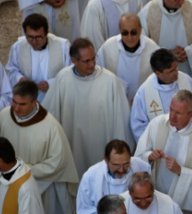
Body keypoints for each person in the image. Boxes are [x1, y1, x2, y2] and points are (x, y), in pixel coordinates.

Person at [0, 81, 78, 214]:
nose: (16, 108)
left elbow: (57, 161)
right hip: (10, 182)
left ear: (34, 101)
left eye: (22, 104)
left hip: (43, 186)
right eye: (14, 102)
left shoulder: (50, 126)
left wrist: (24, 171)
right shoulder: (4, 117)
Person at [45, 38, 133, 175]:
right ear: (74, 60)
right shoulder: (63, 79)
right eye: (86, 61)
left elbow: (121, 121)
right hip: (73, 145)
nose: (92, 64)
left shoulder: (109, 81)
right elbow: (51, 116)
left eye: (93, 59)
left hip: (101, 146)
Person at [136, 93, 192, 214]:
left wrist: (180, 171)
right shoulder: (157, 124)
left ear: (191, 114)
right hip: (152, 196)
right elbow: (138, 157)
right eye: (171, 109)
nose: (172, 116)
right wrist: (149, 157)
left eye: (178, 113)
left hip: (179, 207)